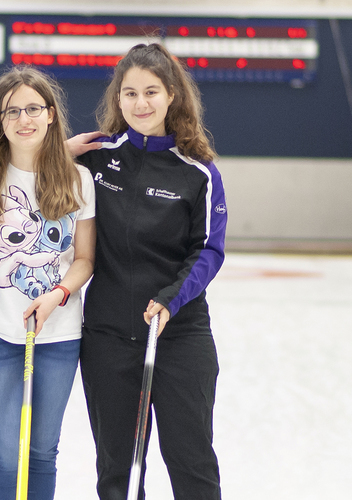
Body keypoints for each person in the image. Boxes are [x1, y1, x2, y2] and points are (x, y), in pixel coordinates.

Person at [68, 43, 228, 500]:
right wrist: (60, 150)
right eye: (130, 93)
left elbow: (209, 250)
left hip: (178, 334)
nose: (141, 104)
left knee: (191, 459)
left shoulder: (198, 171)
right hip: (108, 335)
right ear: (117, 99)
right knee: (117, 470)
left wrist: (171, 299)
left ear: (173, 95)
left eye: (151, 92)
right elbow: (21, 163)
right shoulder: (96, 158)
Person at [0, 66, 95, 499]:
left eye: (34, 108)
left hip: (58, 335)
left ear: (52, 114)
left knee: (41, 452)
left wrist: (57, 295)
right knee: (4, 452)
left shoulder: (79, 180)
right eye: (12, 111)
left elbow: (84, 259)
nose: (25, 119)